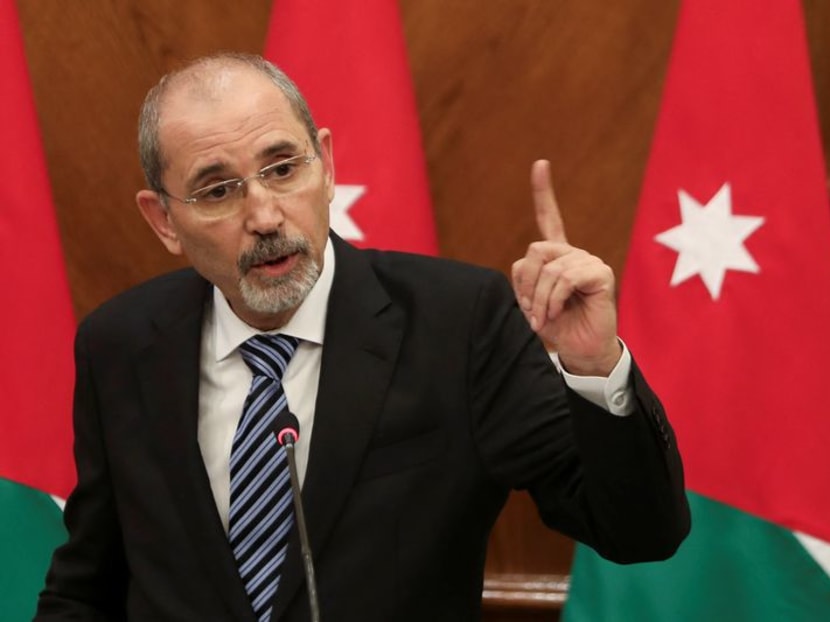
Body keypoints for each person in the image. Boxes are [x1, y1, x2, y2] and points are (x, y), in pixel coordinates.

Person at [35, 52, 690, 621]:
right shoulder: (120, 345)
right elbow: (87, 586)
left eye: (284, 168)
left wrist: (594, 366)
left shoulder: (458, 324)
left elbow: (640, 532)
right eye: (217, 191)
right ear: (164, 221)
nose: (264, 215)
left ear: (326, 164)